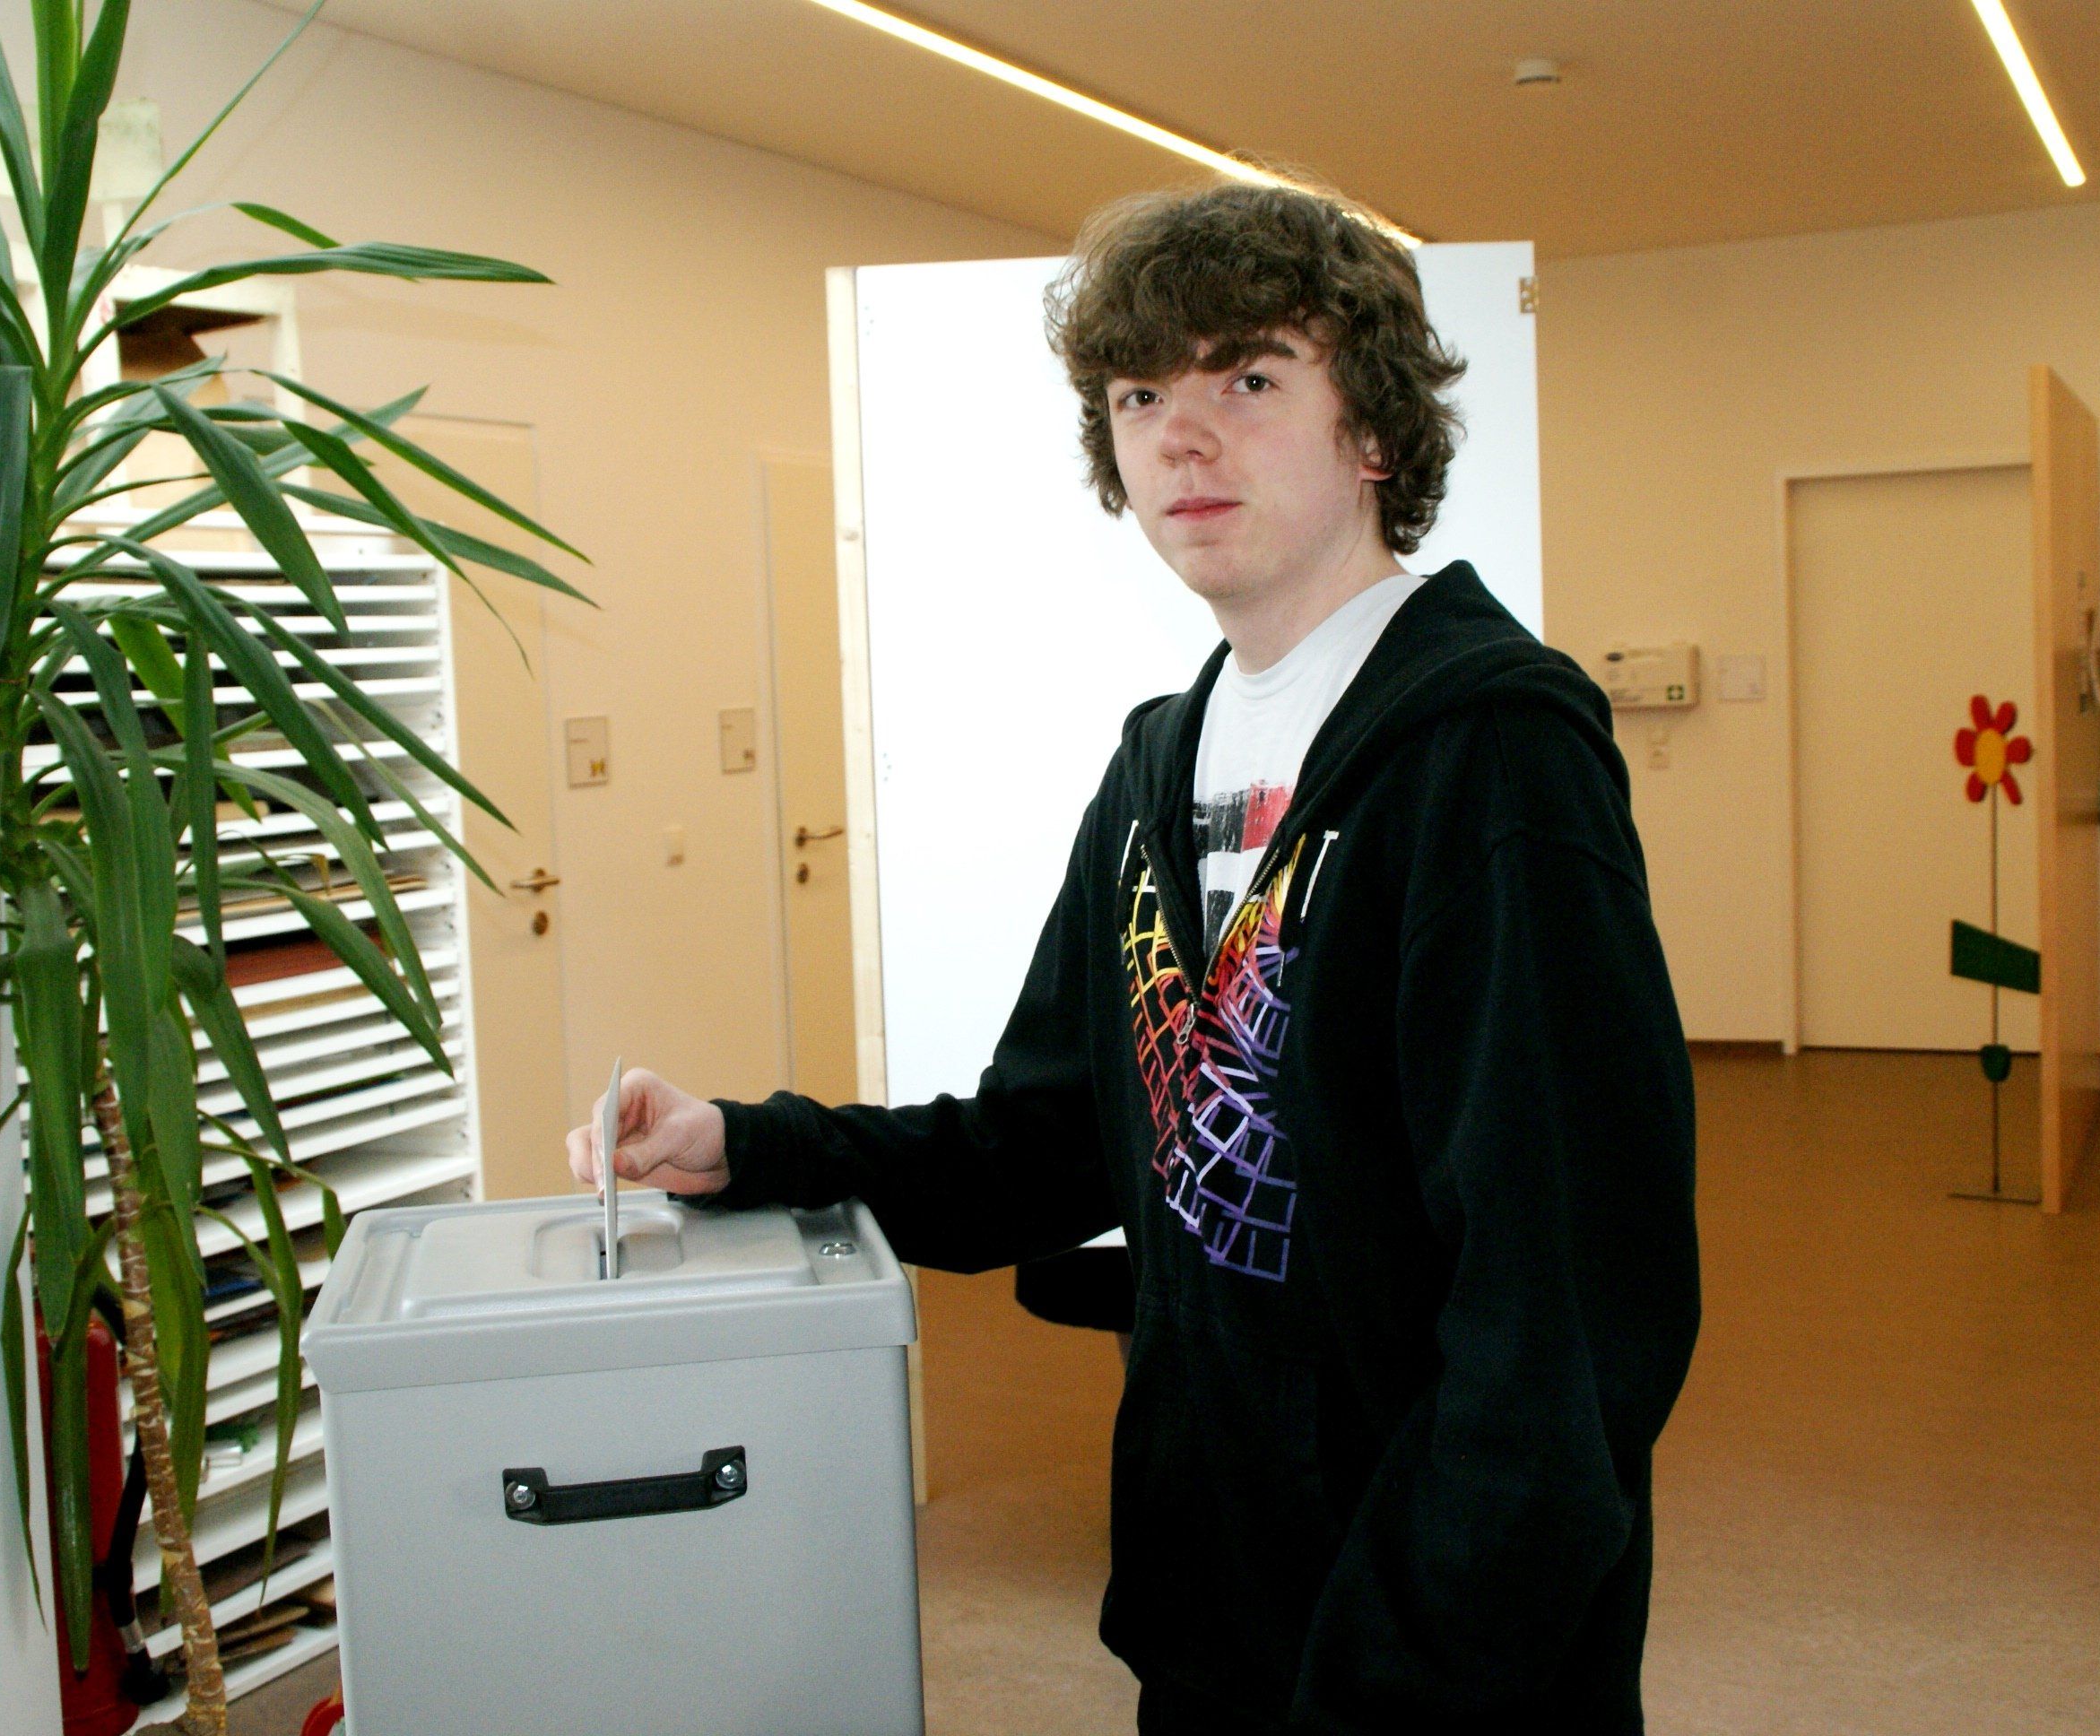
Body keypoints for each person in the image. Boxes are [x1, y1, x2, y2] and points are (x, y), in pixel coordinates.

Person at [567, 178, 1699, 1734]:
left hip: (1432, 1658)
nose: (1182, 437)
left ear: (1375, 430)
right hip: (1214, 1614)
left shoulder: (1492, 758)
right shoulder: (1160, 763)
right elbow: (1050, 1143)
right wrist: (751, 1145)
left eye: (1250, 379)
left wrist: (1404, 1667)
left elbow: (1566, 1310)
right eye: (1140, 396)